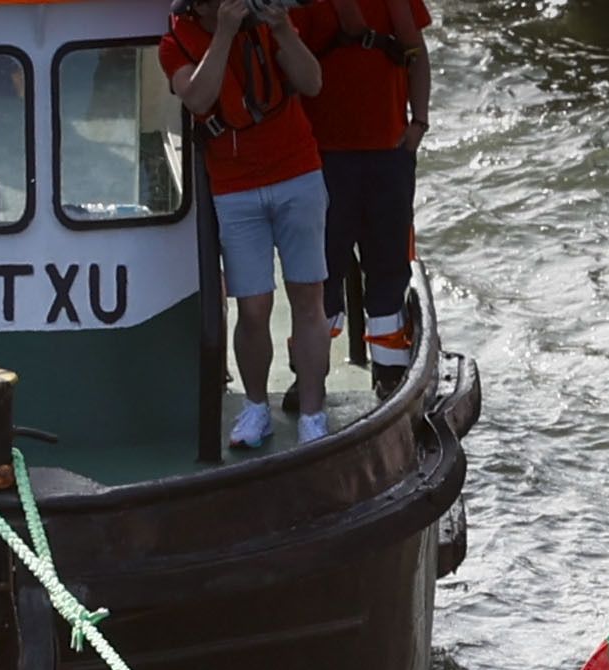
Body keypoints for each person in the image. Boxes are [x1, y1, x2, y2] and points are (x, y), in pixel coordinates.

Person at [164, 0, 333, 448]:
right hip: (235, 187)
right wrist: (222, 34)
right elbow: (198, 97)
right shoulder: (174, 42)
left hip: (297, 172)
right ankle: (255, 408)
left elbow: (312, 83)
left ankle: (313, 415)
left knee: (308, 297)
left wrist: (281, 29)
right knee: (253, 306)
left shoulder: (266, 24)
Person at [303, 0, 427, 392]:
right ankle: (311, 372)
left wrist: (418, 123)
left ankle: (390, 375)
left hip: (387, 155)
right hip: (324, 158)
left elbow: (417, 54)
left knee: (388, 267)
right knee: (319, 271)